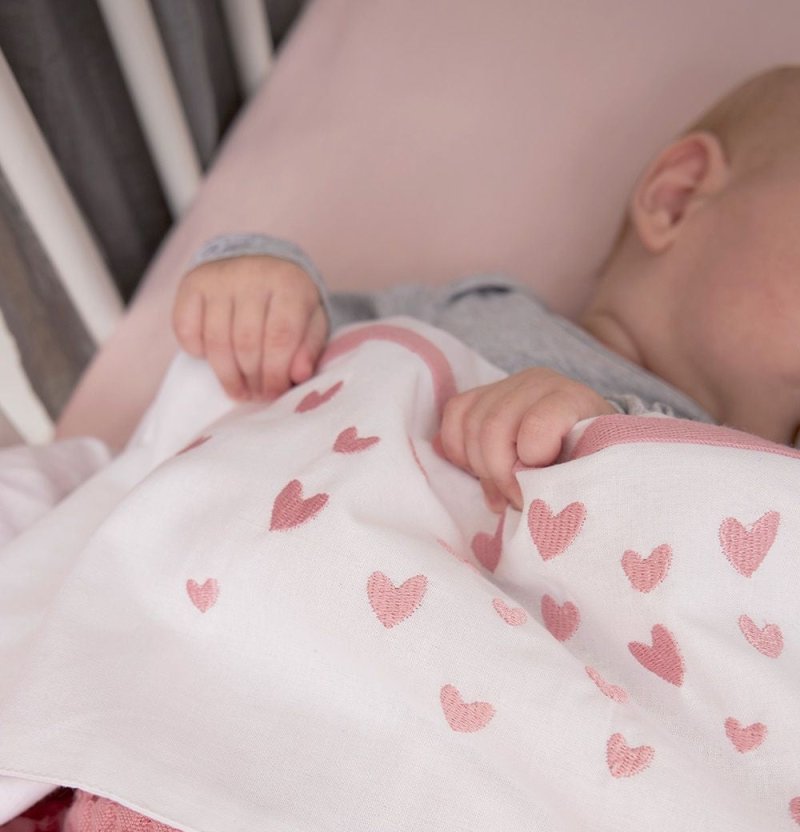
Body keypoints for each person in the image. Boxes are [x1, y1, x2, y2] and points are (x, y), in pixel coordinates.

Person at [172, 65, 800, 514]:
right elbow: (305, 352)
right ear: (678, 199)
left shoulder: (765, 490)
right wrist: (263, 289)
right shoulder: (482, 314)